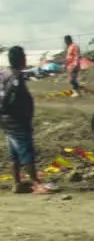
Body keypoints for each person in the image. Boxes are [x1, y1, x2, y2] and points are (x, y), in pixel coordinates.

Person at [0, 46, 52, 194]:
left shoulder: (4, 73)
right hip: (16, 120)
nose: (26, 59)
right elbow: (12, 97)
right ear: (20, 59)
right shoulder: (16, 77)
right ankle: (36, 183)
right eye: (24, 56)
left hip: (6, 121)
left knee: (14, 152)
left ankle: (17, 183)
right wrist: (20, 113)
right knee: (26, 151)